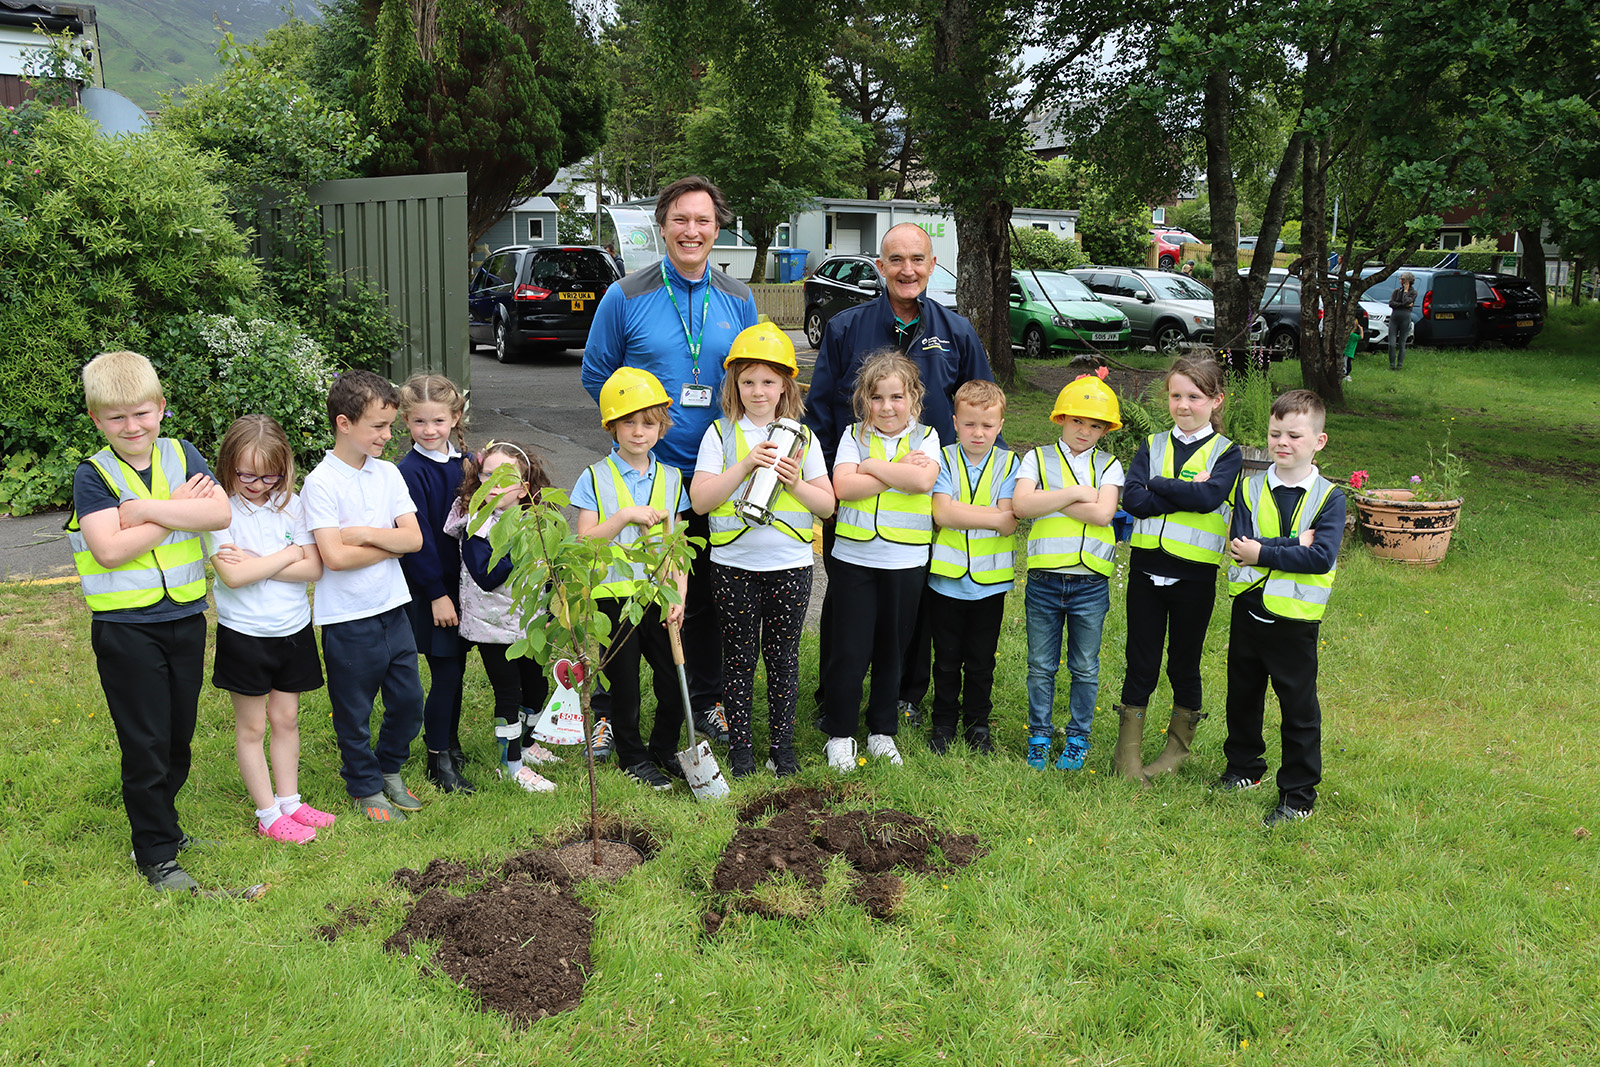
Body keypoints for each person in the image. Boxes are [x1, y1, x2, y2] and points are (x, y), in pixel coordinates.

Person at [581, 176, 760, 745]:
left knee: (703, 593)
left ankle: (703, 700)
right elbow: (596, 374)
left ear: (717, 228)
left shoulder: (738, 297)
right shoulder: (626, 295)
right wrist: (641, 430)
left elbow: (751, 375)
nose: (692, 231)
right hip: (643, 476)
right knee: (622, 592)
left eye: (703, 220)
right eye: (680, 219)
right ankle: (610, 710)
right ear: (663, 227)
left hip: (712, 477)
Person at [805, 223, 996, 724]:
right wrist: (827, 487)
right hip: (853, 495)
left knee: (915, 603)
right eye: (896, 260)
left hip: (928, 494)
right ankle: (835, 695)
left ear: (933, 264)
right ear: (880, 266)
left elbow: (982, 408)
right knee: (846, 604)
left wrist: (970, 488)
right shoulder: (847, 328)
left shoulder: (957, 332)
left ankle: (906, 695)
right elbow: (822, 413)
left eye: (917, 259)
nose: (907, 270)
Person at [66, 350, 232, 892]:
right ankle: (156, 854)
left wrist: (143, 510)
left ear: (160, 408)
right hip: (126, 630)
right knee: (146, 743)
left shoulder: (182, 454)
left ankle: (167, 827)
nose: (131, 426)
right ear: (97, 419)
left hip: (185, 619)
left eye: (141, 413)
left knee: (178, 737)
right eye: (116, 418)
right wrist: (170, 507)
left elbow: (218, 513)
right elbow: (110, 551)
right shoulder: (93, 475)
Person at [690, 323, 835, 778]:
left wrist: (794, 480)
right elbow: (701, 500)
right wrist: (745, 465)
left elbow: (827, 505)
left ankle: (783, 747)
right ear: (734, 383)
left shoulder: (802, 437)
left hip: (789, 565)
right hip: (733, 564)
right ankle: (742, 750)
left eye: (768, 381)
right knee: (737, 657)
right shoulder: (720, 434)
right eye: (748, 381)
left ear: (785, 386)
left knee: (783, 657)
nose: (757, 390)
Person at [301, 369, 427, 823]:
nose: (386, 436)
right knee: (353, 712)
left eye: (390, 426)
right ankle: (364, 785)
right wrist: (382, 542)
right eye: (377, 427)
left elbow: (413, 541)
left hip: (394, 609)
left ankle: (389, 766)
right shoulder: (320, 483)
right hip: (347, 618)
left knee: (410, 700)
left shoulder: (389, 473)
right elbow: (332, 557)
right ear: (343, 423)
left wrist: (360, 536)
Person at [1216, 389, 1345, 826]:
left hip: (1295, 620)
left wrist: (1263, 551)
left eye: (1294, 434)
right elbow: (1239, 547)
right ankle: (1244, 768)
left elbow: (1320, 557)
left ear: (1318, 441)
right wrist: (1290, 544)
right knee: (1243, 695)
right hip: (1248, 608)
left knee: (1298, 708)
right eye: (1275, 434)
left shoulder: (1329, 497)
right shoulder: (1250, 487)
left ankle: (1298, 796)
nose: (1282, 442)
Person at [206, 415, 333, 844]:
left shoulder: (293, 504)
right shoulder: (219, 510)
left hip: (293, 628)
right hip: (244, 633)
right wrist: (288, 554)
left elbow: (314, 567)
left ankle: (291, 801)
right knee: (253, 728)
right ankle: (267, 813)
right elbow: (233, 577)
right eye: (246, 475)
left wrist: (260, 562)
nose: (258, 484)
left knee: (287, 719)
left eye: (269, 476)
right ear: (228, 465)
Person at [1116, 356, 1241, 782]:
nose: (1183, 405)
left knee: (1182, 663)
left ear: (1216, 400)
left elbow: (1210, 499)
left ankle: (1176, 751)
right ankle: (1127, 754)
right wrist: (1185, 489)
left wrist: (1158, 484)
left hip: (1194, 576)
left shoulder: (1227, 452)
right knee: (1141, 660)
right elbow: (1132, 500)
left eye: (1195, 396)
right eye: (1175, 395)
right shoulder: (1151, 445)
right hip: (1145, 571)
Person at [573, 368, 691, 790]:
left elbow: (677, 547)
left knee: (676, 680)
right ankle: (632, 756)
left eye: (649, 423)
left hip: (659, 597)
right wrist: (623, 516)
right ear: (611, 425)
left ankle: (664, 747)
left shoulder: (673, 479)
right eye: (628, 422)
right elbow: (585, 542)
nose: (639, 432)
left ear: (662, 426)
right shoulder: (594, 477)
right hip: (613, 600)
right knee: (624, 687)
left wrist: (679, 595)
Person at [822, 350, 940, 772]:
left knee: (894, 649)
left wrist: (869, 469)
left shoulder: (926, 438)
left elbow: (922, 480)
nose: (886, 407)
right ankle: (840, 733)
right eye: (877, 398)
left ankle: (881, 730)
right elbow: (843, 487)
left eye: (896, 397)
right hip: (854, 557)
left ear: (914, 398)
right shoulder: (853, 436)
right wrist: (890, 468)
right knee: (849, 650)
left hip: (905, 558)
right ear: (863, 400)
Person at [1012, 375, 1124, 771]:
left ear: (1106, 430)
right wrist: (1077, 492)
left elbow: (1103, 514)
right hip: (1045, 581)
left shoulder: (1109, 464)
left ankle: (1078, 738)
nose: (1086, 431)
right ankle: (1039, 735)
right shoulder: (1036, 458)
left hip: (1091, 583)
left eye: (1096, 425)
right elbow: (1022, 506)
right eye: (1078, 421)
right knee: (1041, 664)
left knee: (1085, 667)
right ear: (1061, 418)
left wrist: (1049, 499)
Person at [445, 440, 559, 794]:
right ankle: (510, 764)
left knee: (537, 686)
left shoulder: (535, 519)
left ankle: (526, 743)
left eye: (507, 476)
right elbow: (486, 575)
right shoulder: (478, 522)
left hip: (530, 624)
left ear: (525, 484)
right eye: (487, 474)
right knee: (509, 692)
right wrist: (519, 546)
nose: (494, 483)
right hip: (492, 626)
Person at [926, 380, 1017, 756]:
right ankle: (943, 723)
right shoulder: (943, 459)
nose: (978, 433)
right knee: (946, 660)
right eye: (969, 424)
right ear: (955, 421)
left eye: (987, 425)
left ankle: (978, 724)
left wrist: (968, 514)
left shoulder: (1012, 463)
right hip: (945, 582)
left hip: (990, 584)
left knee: (981, 661)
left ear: (999, 426)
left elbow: (1010, 521)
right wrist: (991, 515)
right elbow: (942, 512)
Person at [396, 373, 474, 795]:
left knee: (457, 669)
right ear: (406, 422)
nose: (430, 431)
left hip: (467, 587)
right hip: (434, 591)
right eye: (419, 423)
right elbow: (419, 540)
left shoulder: (469, 462)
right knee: (445, 672)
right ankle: (436, 758)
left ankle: (451, 740)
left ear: (455, 417)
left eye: (438, 421)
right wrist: (437, 595)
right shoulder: (408, 472)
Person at [1388, 272, 1416, 370]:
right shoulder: (1396, 291)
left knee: (1402, 343)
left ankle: (1399, 365)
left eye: (1403, 279)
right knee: (1391, 343)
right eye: (1401, 279)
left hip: (1405, 318)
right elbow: (1391, 303)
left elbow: (1406, 301)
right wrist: (1403, 304)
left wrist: (1406, 291)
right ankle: (1391, 364)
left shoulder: (1413, 292)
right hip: (1394, 317)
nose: (1401, 281)